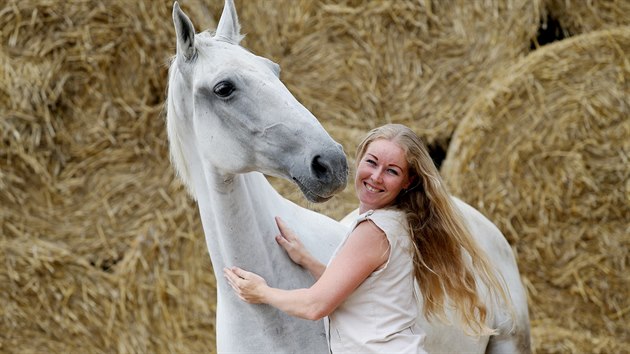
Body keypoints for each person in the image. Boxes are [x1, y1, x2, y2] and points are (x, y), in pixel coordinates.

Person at [224, 124, 509, 353]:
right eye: (371, 163)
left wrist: (261, 293)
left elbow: (315, 306)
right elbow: (362, 292)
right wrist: (309, 261)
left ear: (407, 182)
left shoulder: (374, 231)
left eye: (392, 171)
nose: (376, 177)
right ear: (359, 160)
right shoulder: (398, 221)